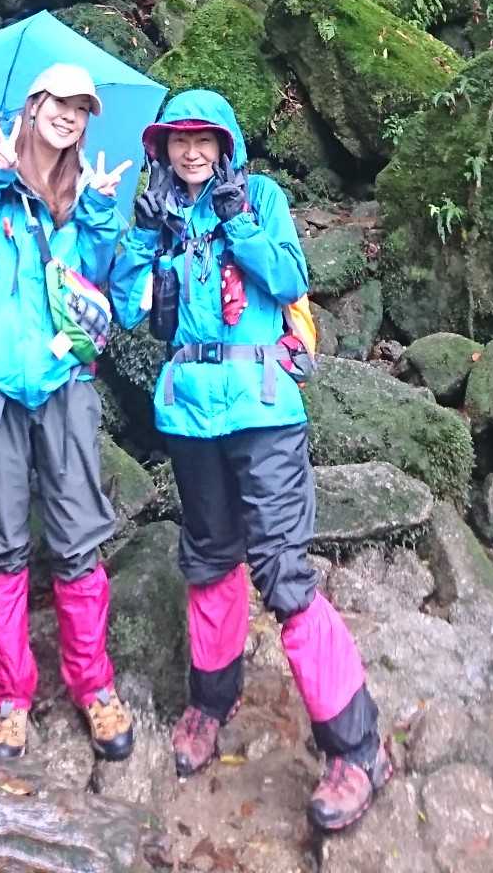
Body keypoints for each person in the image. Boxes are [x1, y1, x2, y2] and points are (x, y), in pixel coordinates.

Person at [110, 87, 391, 834]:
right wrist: (142, 235)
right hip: (189, 411)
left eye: (203, 139)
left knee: (284, 575)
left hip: (263, 408)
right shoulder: (160, 214)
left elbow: (290, 280)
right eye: (178, 140)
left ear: (225, 145)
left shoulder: (260, 197)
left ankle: (357, 748)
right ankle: (211, 701)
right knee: (208, 560)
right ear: (162, 149)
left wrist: (237, 220)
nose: (191, 152)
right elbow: (129, 306)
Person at [0, 61, 135, 765]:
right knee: (0, 543)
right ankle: (10, 697)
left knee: (77, 539)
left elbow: (101, 283)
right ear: (34, 105)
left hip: (64, 387)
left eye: (82, 108)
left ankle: (94, 687)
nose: (70, 116)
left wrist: (97, 211)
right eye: (60, 102)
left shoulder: (82, 192)